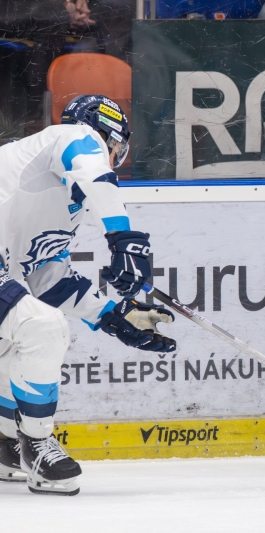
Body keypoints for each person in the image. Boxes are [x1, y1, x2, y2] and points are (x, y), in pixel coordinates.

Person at [0, 95, 176, 495]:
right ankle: (37, 443)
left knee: (19, 330)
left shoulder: (54, 196)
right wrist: (124, 238)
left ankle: (7, 443)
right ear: (113, 140)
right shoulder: (71, 138)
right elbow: (93, 169)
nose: (115, 157)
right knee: (41, 327)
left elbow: (49, 279)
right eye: (118, 149)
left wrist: (114, 315)